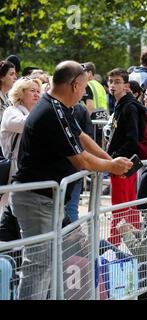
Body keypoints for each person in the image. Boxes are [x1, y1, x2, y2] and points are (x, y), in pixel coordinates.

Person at [10, 61, 132, 300]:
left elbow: (82, 137)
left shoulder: (60, 107)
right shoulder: (51, 111)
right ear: (75, 84)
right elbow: (81, 160)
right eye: (85, 87)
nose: (85, 92)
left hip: (48, 199)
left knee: (50, 261)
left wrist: (111, 161)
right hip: (36, 199)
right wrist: (112, 166)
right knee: (38, 264)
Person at [106, 67, 147, 246]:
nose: (112, 85)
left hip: (123, 164)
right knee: (129, 206)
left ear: (126, 85)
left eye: (117, 82)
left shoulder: (129, 107)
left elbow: (133, 139)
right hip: (124, 163)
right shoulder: (123, 105)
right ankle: (135, 247)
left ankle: (113, 247)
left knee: (120, 208)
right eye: (110, 81)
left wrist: (114, 159)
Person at [0, 77, 41, 238]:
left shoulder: (33, 113)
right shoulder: (12, 111)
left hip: (28, 170)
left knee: (20, 214)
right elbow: (25, 124)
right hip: (14, 169)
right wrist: (44, 112)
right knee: (7, 211)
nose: (37, 95)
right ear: (20, 93)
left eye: (39, 91)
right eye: (32, 91)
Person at [0, 60, 17, 125]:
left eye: (15, 74)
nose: (15, 77)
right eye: (11, 74)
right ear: (2, 77)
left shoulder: (9, 97)